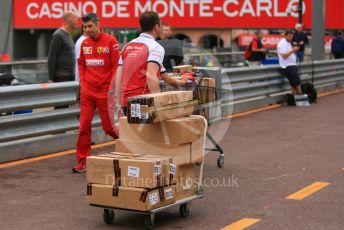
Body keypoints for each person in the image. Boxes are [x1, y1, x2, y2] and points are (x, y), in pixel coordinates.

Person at [115, 11, 190, 115]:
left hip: (125, 102)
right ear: (156, 27)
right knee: (151, 131)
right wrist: (159, 103)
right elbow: (151, 77)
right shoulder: (156, 47)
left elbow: (118, 77)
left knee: (132, 131)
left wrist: (182, 82)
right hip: (143, 102)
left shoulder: (127, 46)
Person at [73, 13, 120, 173]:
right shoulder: (84, 43)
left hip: (105, 93)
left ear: (98, 24)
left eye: (90, 26)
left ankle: (129, 147)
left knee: (109, 128)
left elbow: (116, 66)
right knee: (83, 126)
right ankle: (82, 161)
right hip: (88, 92)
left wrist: (112, 88)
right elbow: (81, 65)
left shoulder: (111, 41)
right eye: (84, 27)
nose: (87, 30)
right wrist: (84, 83)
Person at [48, 12, 78, 83]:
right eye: (76, 19)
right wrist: (51, 78)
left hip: (70, 76)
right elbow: (51, 57)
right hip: (61, 77)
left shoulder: (68, 35)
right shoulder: (58, 35)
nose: (77, 22)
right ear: (70, 20)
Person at [277, 30, 302, 95]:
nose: (291, 38)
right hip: (288, 66)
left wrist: (294, 49)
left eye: (292, 37)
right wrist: (293, 50)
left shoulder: (288, 42)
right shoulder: (282, 43)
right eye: (289, 36)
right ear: (285, 36)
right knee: (296, 83)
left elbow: (289, 53)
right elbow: (284, 55)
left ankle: (294, 98)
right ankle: (301, 96)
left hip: (292, 65)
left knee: (293, 83)